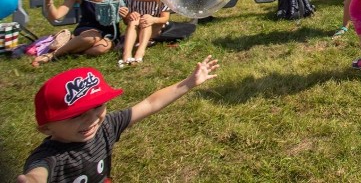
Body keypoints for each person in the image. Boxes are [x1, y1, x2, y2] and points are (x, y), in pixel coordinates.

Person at [17, 56, 219, 182]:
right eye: (76, 115)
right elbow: (38, 173)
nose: (91, 119)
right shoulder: (49, 157)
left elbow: (149, 104)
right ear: (46, 129)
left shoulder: (106, 126)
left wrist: (189, 83)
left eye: (97, 107)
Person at [33, 0, 123, 66]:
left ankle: (72, 49)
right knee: (92, 37)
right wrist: (49, 1)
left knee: (101, 48)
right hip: (87, 29)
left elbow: (117, 1)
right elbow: (56, 15)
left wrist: (119, 7)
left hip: (109, 32)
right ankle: (52, 55)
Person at [117, 0, 170, 67]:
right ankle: (126, 54)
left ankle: (140, 51)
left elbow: (165, 18)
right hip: (136, 29)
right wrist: (129, 15)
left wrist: (153, 19)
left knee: (146, 18)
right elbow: (126, 22)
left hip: (155, 28)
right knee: (134, 20)